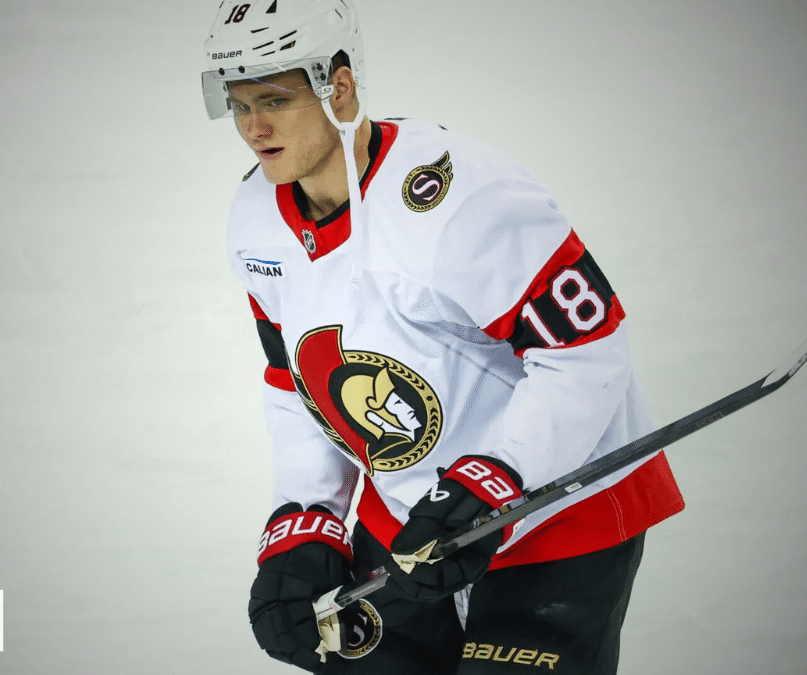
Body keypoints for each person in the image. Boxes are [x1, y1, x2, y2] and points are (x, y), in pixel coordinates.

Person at [200, 1, 685, 672]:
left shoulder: (462, 196)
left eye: (276, 100)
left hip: (557, 513)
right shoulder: (256, 218)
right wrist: (306, 515)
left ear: (339, 85)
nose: (254, 127)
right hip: (409, 522)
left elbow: (586, 351)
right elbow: (295, 380)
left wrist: (496, 479)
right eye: (240, 105)